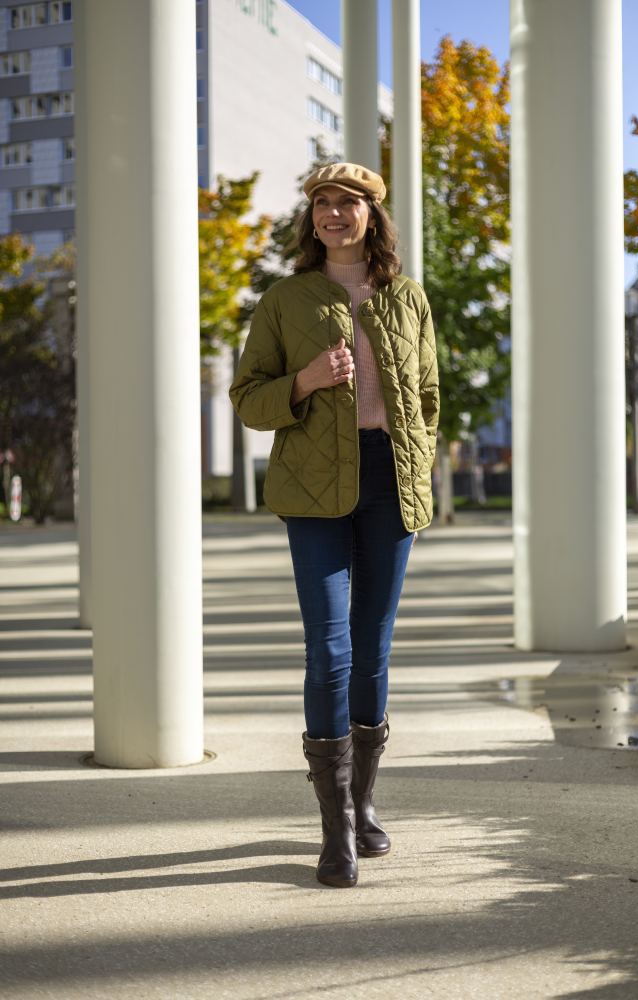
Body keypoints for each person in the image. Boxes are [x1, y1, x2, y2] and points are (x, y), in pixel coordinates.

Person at [229, 162, 439, 888]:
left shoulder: (406, 297)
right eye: (320, 203)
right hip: (311, 489)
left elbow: (428, 395)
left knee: (373, 648)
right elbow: (248, 399)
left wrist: (418, 464)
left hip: (391, 482)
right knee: (330, 649)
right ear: (310, 218)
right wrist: (305, 381)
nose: (331, 214)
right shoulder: (284, 300)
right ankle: (334, 829)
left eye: (345, 203)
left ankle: (363, 801)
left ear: (371, 215)